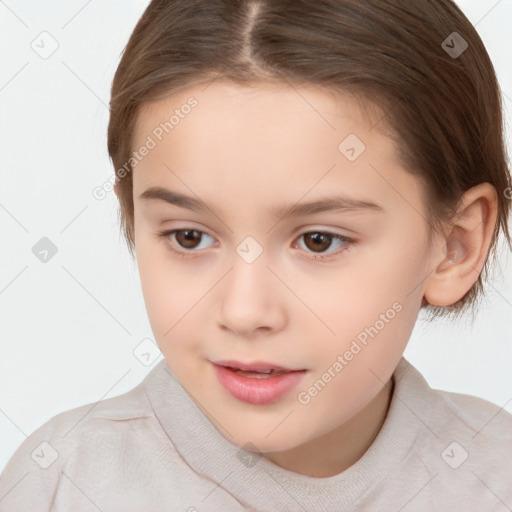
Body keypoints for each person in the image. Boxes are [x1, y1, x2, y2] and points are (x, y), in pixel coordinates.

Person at [1, 0, 511, 510]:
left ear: (454, 245)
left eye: (319, 241)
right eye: (189, 237)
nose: (244, 312)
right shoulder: (61, 484)